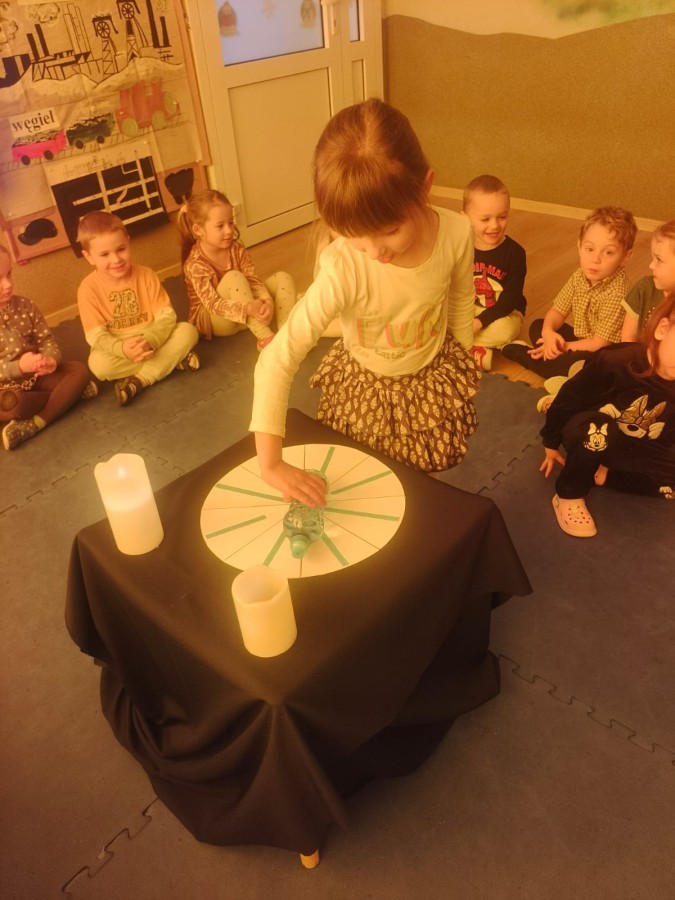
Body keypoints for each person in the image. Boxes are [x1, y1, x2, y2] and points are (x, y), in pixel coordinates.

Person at [250, 98, 479, 507]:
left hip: (430, 380)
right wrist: (271, 464)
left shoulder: (457, 233)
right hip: (365, 391)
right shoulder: (344, 267)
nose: (374, 251)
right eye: (354, 234)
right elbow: (277, 358)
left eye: (389, 230)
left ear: (425, 187)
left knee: (424, 481)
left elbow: (462, 298)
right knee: (366, 484)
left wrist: (462, 366)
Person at [539, 294, 675, 538]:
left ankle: (603, 475)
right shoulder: (615, 361)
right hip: (591, 429)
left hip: (636, 444)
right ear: (662, 329)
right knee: (599, 430)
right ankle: (568, 495)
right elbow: (569, 400)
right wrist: (550, 442)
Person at [501, 206, 637, 405]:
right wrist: (548, 333)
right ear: (580, 246)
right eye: (589, 249)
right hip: (582, 341)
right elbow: (557, 311)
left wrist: (562, 347)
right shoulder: (579, 276)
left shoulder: (618, 292)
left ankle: (527, 357)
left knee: (575, 365)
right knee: (538, 325)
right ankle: (553, 359)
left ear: (625, 257)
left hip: (601, 357)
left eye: (608, 253)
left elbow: (599, 344)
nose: (595, 259)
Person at [76, 212, 200, 407]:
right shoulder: (87, 288)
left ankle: (141, 379)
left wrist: (150, 341)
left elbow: (166, 316)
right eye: (104, 255)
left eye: (121, 249)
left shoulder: (146, 275)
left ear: (128, 241)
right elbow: (96, 336)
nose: (116, 259)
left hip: (154, 338)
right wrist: (123, 349)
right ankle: (172, 362)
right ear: (89, 257)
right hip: (118, 346)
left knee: (188, 331)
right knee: (98, 365)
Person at [0, 244, 94, 450]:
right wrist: (19, 367)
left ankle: (36, 422)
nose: (7, 284)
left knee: (79, 370)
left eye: (9, 274)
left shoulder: (25, 306)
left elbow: (47, 341)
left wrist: (50, 359)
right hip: (6, 389)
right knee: (14, 403)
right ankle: (69, 395)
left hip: (37, 378)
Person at [177, 189, 297, 349]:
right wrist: (248, 308)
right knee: (234, 277)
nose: (228, 230)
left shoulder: (237, 249)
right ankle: (265, 336)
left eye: (231, 223)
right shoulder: (195, 264)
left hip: (246, 313)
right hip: (217, 320)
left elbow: (252, 279)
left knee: (282, 277)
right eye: (220, 226)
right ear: (199, 230)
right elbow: (213, 304)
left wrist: (266, 300)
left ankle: (287, 333)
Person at [462, 174, 527, 371]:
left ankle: (462, 346)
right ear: (465, 218)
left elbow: (510, 299)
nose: (495, 225)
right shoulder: (460, 247)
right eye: (485, 219)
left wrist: (478, 323)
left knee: (504, 330)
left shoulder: (515, 253)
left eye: (502, 217)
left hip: (504, 313)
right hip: (470, 309)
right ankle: (478, 348)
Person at [621, 219, 675, 342]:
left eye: (659, 260)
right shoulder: (644, 289)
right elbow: (627, 340)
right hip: (637, 353)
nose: (651, 265)